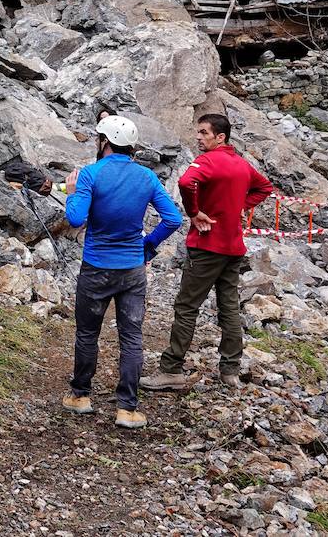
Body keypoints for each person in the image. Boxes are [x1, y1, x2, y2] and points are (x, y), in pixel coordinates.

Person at [62, 115, 183, 429]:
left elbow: (75, 219)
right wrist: (147, 246)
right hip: (132, 269)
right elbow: (172, 219)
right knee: (132, 337)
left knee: (88, 333)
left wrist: (73, 191)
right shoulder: (146, 177)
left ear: (104, 141)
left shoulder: (90, 174)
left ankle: (81, 396)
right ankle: (127, 409)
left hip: (96, 267)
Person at [140, 113, 274, 391]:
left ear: (220, 137)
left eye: (204, 133)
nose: (199, 138)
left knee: (187, 306)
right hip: (233, 247)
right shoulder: (241, 164)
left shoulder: (207, 161)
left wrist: (195, 211)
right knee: (229, 307)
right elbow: (265, 187)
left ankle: (171, 369)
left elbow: (185, 182)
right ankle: (230, 370)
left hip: (207, 244)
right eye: (198, 132)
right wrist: (239, 206)